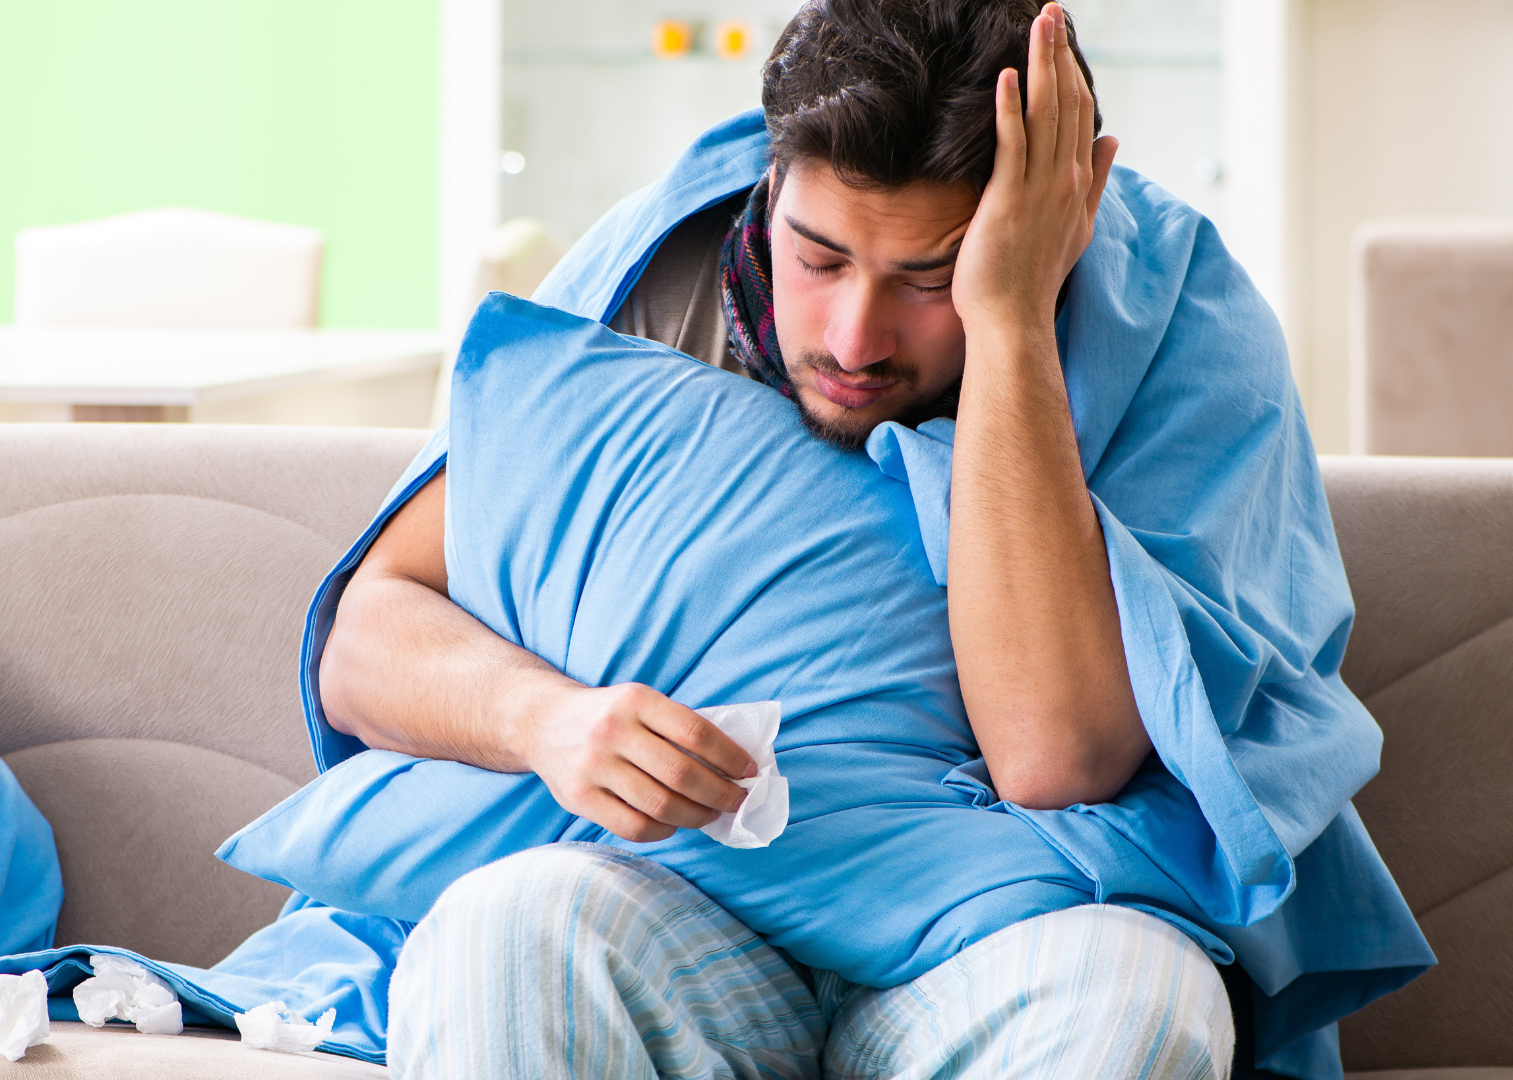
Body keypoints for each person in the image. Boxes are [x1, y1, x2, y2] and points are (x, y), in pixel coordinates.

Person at [274, 2, 1430, 1077]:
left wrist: (1010, 319)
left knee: (1143, 997)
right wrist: (547, 719)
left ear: (1063, 215)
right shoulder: (671, 270)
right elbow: (370, 636)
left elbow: (1054, 758)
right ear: (770, 184)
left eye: (931, 277)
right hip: (684, 910)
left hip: (1011, 931)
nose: (853, 337)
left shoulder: (1182, 321)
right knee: (503, 927)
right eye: (819, 257)